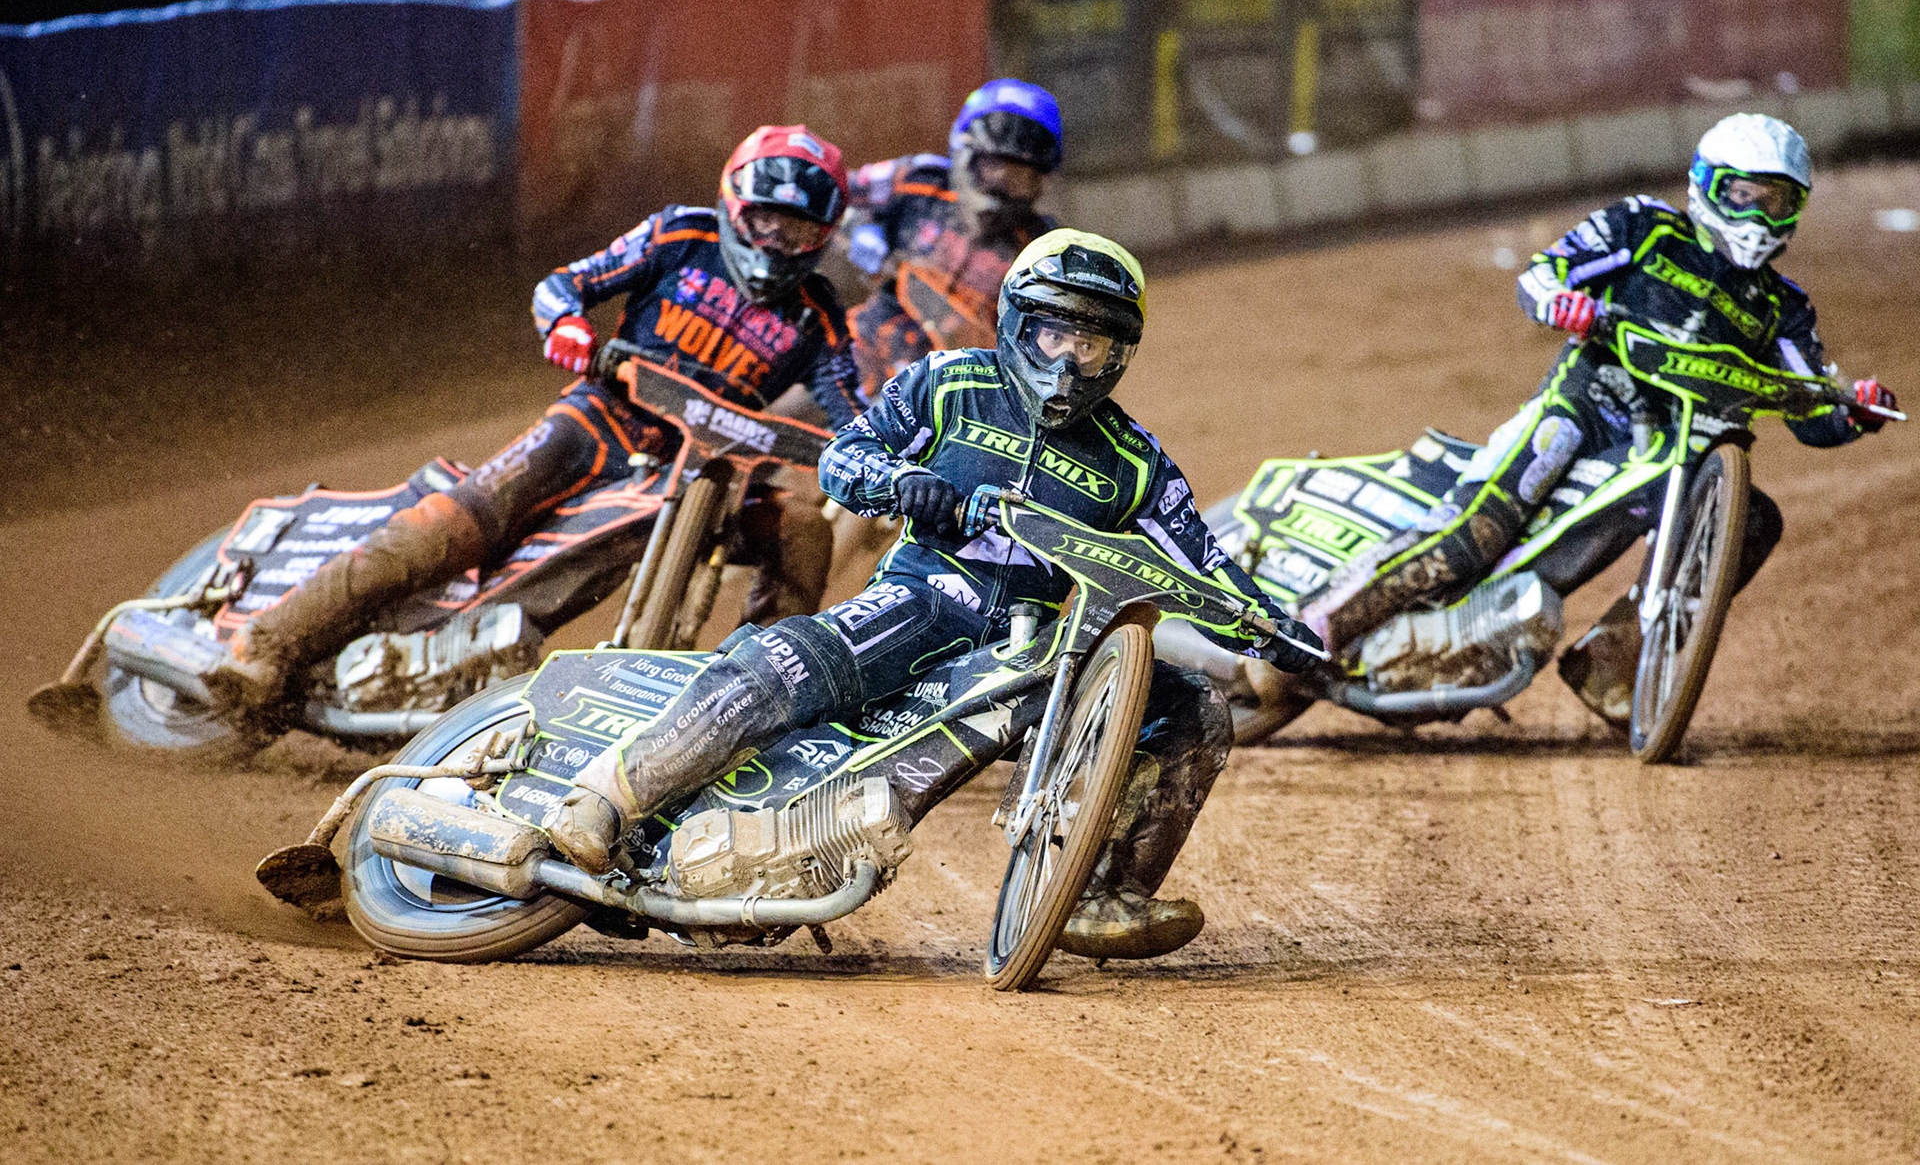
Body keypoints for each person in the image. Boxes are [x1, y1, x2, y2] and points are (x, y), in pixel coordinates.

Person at [546, 228, 1324, 960]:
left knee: (1194, 707)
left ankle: (1101, 895)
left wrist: (1270, 625)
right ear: (1017, 322)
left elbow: (1202, 557)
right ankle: (607, 801)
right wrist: (902, 483)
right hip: (925, 597)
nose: (1070, 363)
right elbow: (845, 457)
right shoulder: (948, 382)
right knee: (783, 657)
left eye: (1092, 344)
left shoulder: (1136, 460)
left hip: (1041, 643)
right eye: (1055, 336)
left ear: (1120, 353)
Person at [205, 125, 867, 711]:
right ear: (733, 207)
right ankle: (265, 641)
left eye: (800, 231)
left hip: (708, 474)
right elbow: (565, 284)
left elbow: (851, 410)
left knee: (804, 528)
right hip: (598, 423)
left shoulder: (820, 314)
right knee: (458, 526)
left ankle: (768, 701)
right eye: (766, 222)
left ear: (824, 237)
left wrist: (884, 457)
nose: (778, 243)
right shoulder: (678, 235)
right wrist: (568, 326)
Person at [1300, 113, 1897, 724]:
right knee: (1481, 527)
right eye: (1742, 195)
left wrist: (1859, 409)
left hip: (1679, 445)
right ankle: (1315, 627)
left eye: (1775, 202)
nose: (1756, 216)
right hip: (1586, 404)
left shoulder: (1784, 308)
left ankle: (1615, 666)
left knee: (1755, 519)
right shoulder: (1643, 226)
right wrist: (1564, 302)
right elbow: (1542, 274)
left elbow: (1815, 407)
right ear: (1705, 185)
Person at [839, 78, 1064, 397]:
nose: (1001, 181)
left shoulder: (1042, 250)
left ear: (1040, 179)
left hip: (952, 392)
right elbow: (827, 191)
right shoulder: (919, 181)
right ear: (965, 155)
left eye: (1018, 174)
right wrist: (858, 226)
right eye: (993, 164)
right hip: (861, 346)